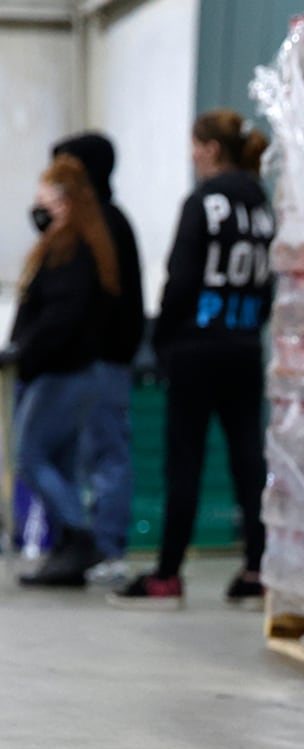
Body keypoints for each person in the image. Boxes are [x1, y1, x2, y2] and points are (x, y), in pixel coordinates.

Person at [113, 111, 275, 609]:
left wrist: (162, 340)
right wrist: (248, 324)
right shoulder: (262, 204)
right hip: (244, 345)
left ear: (207, 148)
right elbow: (269, 280)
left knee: (184, 463)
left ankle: (167, 574)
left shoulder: (203, 202)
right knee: (249, 460)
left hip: (195, 348)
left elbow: (180, 280)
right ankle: (258, 568)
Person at [1, 155, 121, 587]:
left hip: (61, 373)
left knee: (30, 457)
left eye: (45, 199)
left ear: (66, 201)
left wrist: (25, 352)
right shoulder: (71, 246)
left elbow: (60, 318)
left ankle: (78, 533)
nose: (38, 207)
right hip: (65, 370)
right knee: (60, 462)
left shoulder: (74, 252)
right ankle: (66, 553)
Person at [50, 134, 144, 585]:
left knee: (106, 454)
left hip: (103, 361)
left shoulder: (107, 224)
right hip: (92, 362)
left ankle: (106, 546)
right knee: (90, 455)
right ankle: (87, 540)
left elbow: (107, 303)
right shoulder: (89, 223)